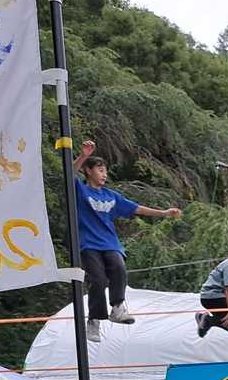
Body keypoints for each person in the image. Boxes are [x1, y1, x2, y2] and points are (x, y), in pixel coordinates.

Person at [72, 140, 182, 342]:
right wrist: (83, 156)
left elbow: (137, 208)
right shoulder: (80, 190)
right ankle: (94, 320)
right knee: (98, 280)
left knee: (119, 267)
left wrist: (164, 213)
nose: (104, 174)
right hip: (89, 244)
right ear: (88, 171)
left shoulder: (111, 196)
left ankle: (117, 307)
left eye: (105, 171)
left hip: (110, 243)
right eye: (100, 170)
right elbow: (68, 173)